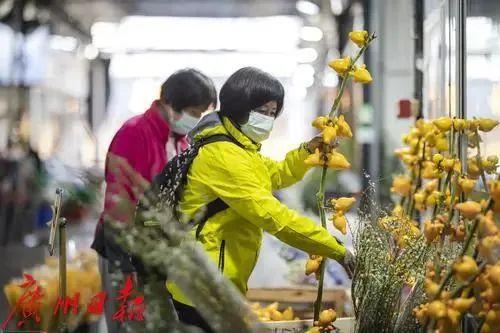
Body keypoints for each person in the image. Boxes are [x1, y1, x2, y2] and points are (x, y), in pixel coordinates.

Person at [167, 67, 355, 332]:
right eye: (262, 112)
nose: (268, 120)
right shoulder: (224, 156)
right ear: (239, 107)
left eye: (272, 113)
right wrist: (335, 248)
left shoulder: (241, 149)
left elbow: (276, 174)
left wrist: (307, 152)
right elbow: (273, 216)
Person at [91, 68, 217, 333]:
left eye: (201, 114)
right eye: (194, 112)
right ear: (171, 104)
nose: (196, 120)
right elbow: (119, 203)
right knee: (128, 326)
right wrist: (126, 269)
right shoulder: (134, 134)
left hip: (155, 256)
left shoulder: (181, 142)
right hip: (124, 252)